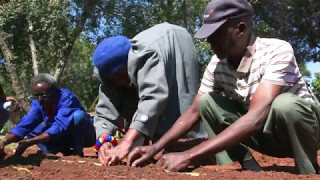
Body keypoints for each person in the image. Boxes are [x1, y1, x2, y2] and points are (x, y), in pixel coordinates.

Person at [127, 0, 320, 174]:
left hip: (304, 133)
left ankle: (308, 170)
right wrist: (156, 147)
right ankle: (234, 168)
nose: (209, 41)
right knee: (207, 103)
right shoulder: (217, 64)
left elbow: (256, 118)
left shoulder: (277, 51)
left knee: (284, 105)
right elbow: (194, 112)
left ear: (240, 28)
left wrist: (188, 155)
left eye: (215, 33)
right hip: (265, 137)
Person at [92, 22, 207, 166]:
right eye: (115, 80)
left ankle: (189, 145)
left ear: (129, 63)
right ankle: (144, 142)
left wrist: (127, 141)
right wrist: (104, 140)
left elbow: (153, 97)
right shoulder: (107, 74)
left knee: (181, 99)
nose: (122, 83)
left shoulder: (145, 56)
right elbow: (105, 111)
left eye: (122, 76)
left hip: (175, 41)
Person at [0, 73, 96, 156]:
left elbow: (59, 126)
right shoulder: (39, 104)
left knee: (78, 116)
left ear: (54, 91)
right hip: (60, 137)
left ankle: (78, 151)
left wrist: (30, 142)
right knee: (30, 129)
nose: (40, 99)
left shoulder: (66, 98)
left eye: (44, 95)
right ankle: (56, 151)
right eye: (36, 96)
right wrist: (4, 141)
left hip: (83, 137)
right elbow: (25, 125)